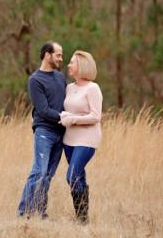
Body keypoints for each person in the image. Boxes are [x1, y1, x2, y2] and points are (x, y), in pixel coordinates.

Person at [17, 41, 66, 218]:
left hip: (61, 133)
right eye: (58, 54)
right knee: (39, 171)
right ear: (47, 55)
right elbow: (43, 110)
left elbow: (65, 103)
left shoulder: (60, 77)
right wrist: (64, 117)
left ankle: (40, 213)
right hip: (44, 132)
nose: (61, 58)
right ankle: (23, 213)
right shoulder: (35, 80)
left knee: (48, 176)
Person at [60, 50, 102, 224]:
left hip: (87, 140)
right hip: (69, 140)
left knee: (71, 176)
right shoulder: (69, 88)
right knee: (79, 177)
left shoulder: (93, 88)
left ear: (82, 66)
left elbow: (95, 116)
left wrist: (73, 119)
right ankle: (82, 221)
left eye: (72, 62)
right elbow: (66, 110)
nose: (68, 65)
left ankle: (82, 218)